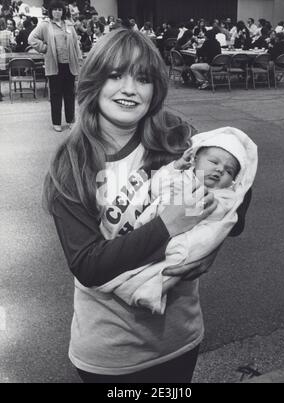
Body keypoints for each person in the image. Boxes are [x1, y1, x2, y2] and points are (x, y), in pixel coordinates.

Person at [43, 28, 251, 383]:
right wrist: (169, 225)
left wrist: (213, 244)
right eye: (115, 75)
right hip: (110, 354)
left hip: (180, 338)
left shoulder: (177, 134)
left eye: (143, 78)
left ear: (155, 89)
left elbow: (238, 180)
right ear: (94, 80)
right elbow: (88, 266)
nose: (129, 89)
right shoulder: (72, 162)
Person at [97, 127, 258, 315]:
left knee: (173, 262)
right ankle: (133, 287)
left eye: (228, 171)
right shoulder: (183, 175)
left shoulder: (221, 195)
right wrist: (175, 167)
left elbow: (236, 203)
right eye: (213, 162)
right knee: (135, 267)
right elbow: (157, 185)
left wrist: (211, 247)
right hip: (103, 315)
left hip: (186, 244)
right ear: (194, 160)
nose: (220, 169)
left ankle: (151, 292)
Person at [28, 0, 82, 132]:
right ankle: (56, 122)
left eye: (60, 9)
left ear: (63, 11)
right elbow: (32, 39)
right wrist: (45, 48)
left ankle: (70, 120)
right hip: (54, 65)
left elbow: (75, 44)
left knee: (70, 94)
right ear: (50, 11)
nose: (57, 12)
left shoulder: (69, 25)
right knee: (56, 95)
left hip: (69, 65)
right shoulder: (45, 25)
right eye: (55, 9)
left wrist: (79, 58)